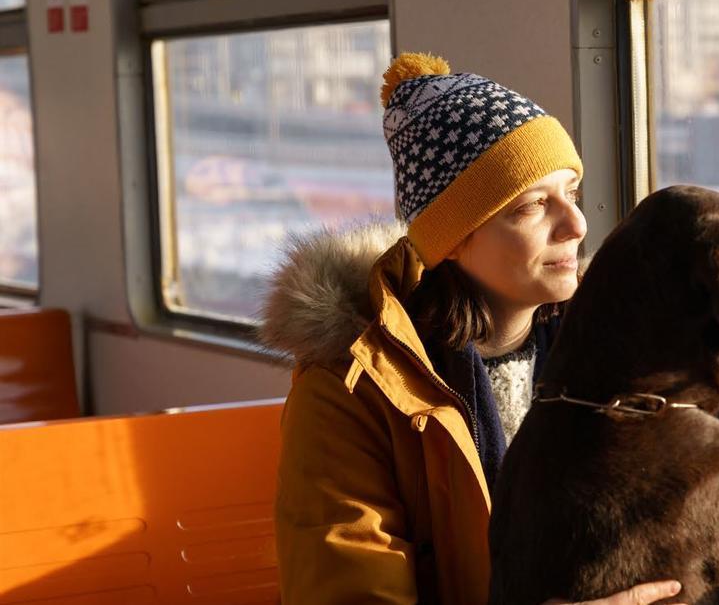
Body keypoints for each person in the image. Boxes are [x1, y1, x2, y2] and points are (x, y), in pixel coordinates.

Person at [260, 52, 684, 604]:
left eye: (572, 194)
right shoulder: (349, 392)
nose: (577, 224)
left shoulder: (604, 353)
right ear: (454, 239)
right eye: (534, 205)